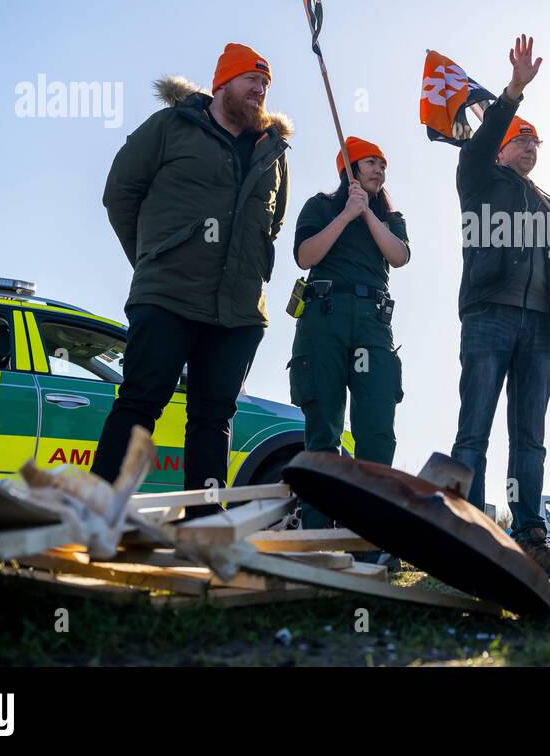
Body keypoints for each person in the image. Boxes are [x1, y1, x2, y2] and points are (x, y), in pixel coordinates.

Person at [93, 43, 291, 513]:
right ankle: (98, 509)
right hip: (169, 294)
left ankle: (204, 520)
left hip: (240, 310)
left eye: (265, 84)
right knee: (141, 401)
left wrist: (255, 271)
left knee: (214, 417)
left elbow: (273, 224)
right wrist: (152, 259)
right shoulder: (171, 126)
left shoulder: (274, 153)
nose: (259, 91)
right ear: (222, 83)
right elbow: (120, 193)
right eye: (251, 80)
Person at [449, 35, 550, 579]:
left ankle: (529, 536)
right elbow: (476, 146)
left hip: (541, 328)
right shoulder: (480, 178)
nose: (528, 148)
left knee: (530, 437)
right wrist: (513, 93)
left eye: (534, 144)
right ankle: (467, 531)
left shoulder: (548, 202)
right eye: (519, 141)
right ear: (500, 148)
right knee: (474, 428)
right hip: (489, 317)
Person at [289, 136, 409, 537]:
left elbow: (399, 256)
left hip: (372, 322)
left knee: (376, 427)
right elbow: (306, 256)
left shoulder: (391, 216)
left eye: (383, 164)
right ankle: (318, 536)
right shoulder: (321, 205)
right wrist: (345, 214)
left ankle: (372, 535)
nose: (379, 169)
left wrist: (367, 214)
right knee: (323, 425)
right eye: (371, 162)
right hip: (324, 317)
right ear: (350, 168)